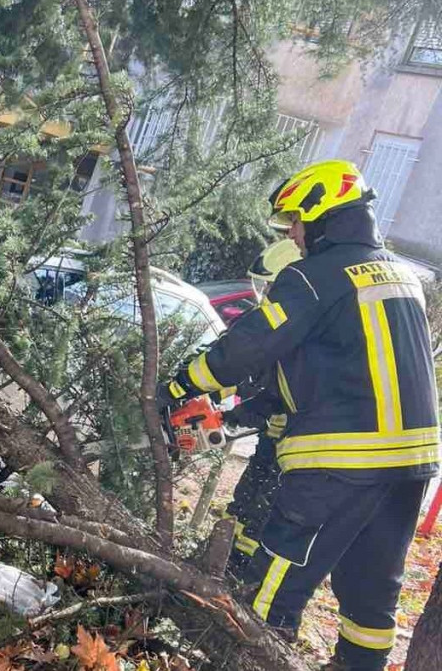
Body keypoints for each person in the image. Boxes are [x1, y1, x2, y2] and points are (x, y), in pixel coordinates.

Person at [161, 160, 440, 671]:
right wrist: (238, 411)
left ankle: (241, 663)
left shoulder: (314, 277)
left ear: (322, 213)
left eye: (296, 220)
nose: (293, 232)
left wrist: (179, 385)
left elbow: (248, 345)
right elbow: (335, 372)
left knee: (273, 587)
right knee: (371, 594)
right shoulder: (401, 276)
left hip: (339, 462)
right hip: (410, 465)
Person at [222, 239, 302, 578]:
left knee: (262, 513)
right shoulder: (286, 325)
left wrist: (249, 410)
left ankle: (244, 575)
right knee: (244, 502)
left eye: (271, 284)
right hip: (272, 444)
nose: (265, 292)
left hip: (294, 453)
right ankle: (224, 558)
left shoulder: (306, 329)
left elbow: (286, 392)